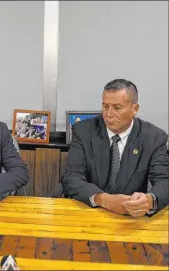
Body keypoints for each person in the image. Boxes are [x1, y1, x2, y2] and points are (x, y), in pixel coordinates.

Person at [62, 79, 168, 217]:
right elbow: (72, 177)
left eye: (117, 108)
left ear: (134, 109)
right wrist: (103, 199)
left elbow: (164, 181)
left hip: (130, 215)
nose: (109, 114)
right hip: (89, 210)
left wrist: (149, 200)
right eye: (105, 106)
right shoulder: (84, 131)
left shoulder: (154, 138)